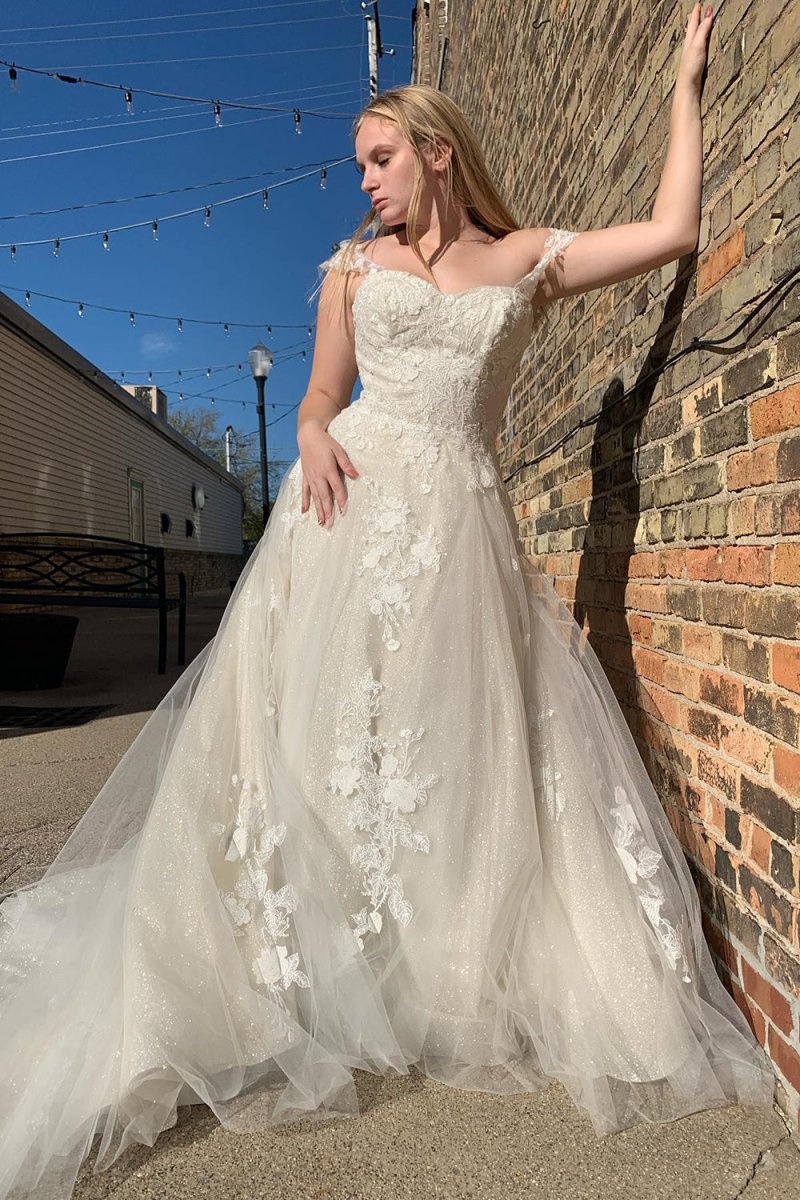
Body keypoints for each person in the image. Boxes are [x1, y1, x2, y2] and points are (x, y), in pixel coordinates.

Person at [0, 6, 777, 1198]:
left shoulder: (525, 261)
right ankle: (309, 959)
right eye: (358, 165)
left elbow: (673, 233)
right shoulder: (351, 270)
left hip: (461, 533)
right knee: (323, 737)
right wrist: (310, 434)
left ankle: (430, 962)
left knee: (447, 748)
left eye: (377, 158)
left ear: (435, 151)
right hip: (346, 517)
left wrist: (683, 81)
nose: (362, 181)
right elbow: (318, 397)